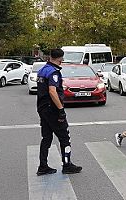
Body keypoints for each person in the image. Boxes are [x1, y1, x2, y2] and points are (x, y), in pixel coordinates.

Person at [36, 48, 82, 176]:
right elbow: (52, 91)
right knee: (64, 137)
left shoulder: (42, 70)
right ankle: (67, 164)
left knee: (46, 138)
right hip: (53, 110)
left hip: (42, 109)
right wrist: (61, 110)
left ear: (50, 56)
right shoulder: (54, 72)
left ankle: (43, 166)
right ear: (61, 58)